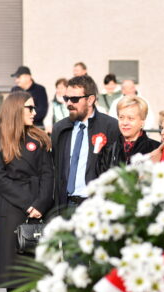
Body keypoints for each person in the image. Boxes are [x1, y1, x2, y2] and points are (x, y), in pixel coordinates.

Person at [0, 91, 53, 292]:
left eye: (34, 108)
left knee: (35, 274)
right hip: (12, 210)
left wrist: (39, 205)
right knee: (14, 276)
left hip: (38, 211)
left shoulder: (39, 137)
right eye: (30, 108)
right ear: (16, 109)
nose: (34, 112)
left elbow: (49, 174)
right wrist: (27, 203)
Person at [51, 75, 122, 210]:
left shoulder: (110, 127)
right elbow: (55, 167)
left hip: (96, 206)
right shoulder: (60, 129)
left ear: (90, 100)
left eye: (74, 99)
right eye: (66, 98)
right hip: (66, 206)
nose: (69, 103)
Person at [115, 96, 159, 163]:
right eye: (121, 117)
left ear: (142, 122)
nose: (124, 123)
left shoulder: (155, 149)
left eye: (131, 118)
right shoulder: (110, 150)